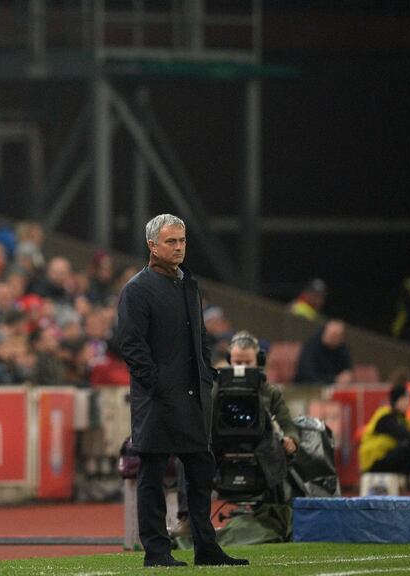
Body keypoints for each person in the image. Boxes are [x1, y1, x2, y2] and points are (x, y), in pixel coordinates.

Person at [117, 214, 248, 567]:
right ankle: (157, 552)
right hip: (158, 399)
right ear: (152, 245)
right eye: (171, 241)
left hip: (192, 394)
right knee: (153, 473)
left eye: (182, 241)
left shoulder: (189, 284)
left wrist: (205, 375)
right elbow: (131, 346)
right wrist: (157, 385)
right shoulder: (137, 289)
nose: (179, 247)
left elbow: (200, 337)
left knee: (201, 470)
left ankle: (206, 547)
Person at [170, 331, 299, 538]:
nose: (242, 367)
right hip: (221, 446)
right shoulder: (215, 389)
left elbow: (286, 422)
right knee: (187, 457)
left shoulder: (270, 391)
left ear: (259, 361)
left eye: (248, 362)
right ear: (230, 361)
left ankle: (276, 514)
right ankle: (188, 519)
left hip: (260, 447)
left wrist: (291, 439)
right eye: (238, 362)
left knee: (280, 452)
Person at [294, 319, 353, 385]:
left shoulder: (342, 348)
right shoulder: (311, 347)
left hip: (334, 387)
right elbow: (307, 375)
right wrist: (334, 380)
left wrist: (347, 376)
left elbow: (347, 369)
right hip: (306, 387)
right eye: (332, 334)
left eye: (337, 336)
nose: (333, 338)